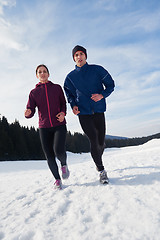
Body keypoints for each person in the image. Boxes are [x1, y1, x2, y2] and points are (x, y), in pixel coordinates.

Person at [64, 45, 115, 184]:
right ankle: (101, 170)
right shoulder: (70, 77)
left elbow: (111, 85)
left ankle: (98, 158)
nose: (79, 57)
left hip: (99, 110)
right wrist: (73, 105)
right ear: (73, 58)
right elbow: (69, 93)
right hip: (83, 113)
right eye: (76, 55)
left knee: (100, 143)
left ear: (85, 56)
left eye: (81, 54)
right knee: (93, 140)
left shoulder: (97, 70)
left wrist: (102, 95)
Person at [25, 64, 70, 189]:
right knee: (49, 156)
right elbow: (31, 109)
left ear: (48, 74)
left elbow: (63, 103)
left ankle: (64, 164)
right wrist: (28, 113)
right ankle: (57, 179)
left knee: (59, 150)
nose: (43, 73)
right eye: (40, 72)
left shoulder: (56, 88)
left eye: (45, 71)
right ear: (37, 75)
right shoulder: (33, 93)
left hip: (59, 124)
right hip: (44, 127)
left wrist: (63, 113)